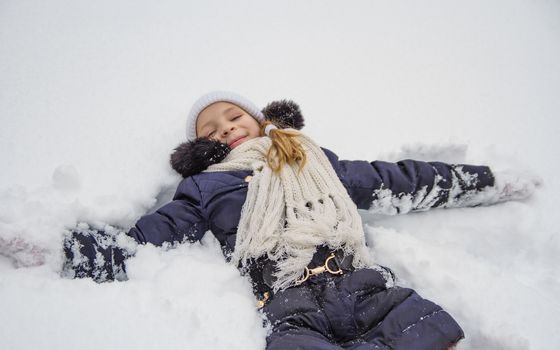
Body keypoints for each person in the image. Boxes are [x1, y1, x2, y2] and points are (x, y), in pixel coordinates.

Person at [62, 91, 540, 349]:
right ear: (202, 147)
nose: (226, 127)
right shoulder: (205, 188)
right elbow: (150, 237)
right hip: (286, 303)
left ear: (258, 119)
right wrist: (63, 252)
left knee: (419, 331)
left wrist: (484, 182)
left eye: (233, 116)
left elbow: (396, 180)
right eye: (211, 129)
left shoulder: (311, 160)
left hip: (360, 282)